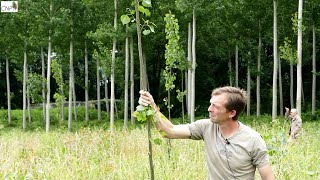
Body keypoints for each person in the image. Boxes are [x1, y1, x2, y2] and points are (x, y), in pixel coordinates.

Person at [139, 86, 275, 180]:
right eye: (211, 104)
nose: (209, 109)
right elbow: (169, 131)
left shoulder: (252, 140)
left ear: (232, 113)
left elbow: (268, 176)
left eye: (215, 106)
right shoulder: (206, 127)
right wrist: (152, 107)